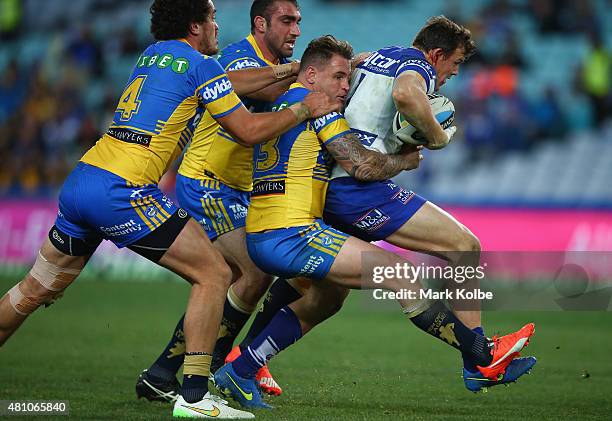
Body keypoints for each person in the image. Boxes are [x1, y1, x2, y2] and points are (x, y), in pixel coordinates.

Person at [0, 0, 340, 419]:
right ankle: (195, 396)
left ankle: (170, 376)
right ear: (196, 26)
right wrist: (306, 107)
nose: (218, 27)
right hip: (123, 192)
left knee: (33, 290)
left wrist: (288, 71)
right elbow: (249, 131)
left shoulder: (151, 54)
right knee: (214, 273)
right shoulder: (200, 64)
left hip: (83, 179)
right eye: (212, 19)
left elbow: (234, 87)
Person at [213, 35, 535, 410]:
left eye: (348, 79)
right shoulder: (322, 112)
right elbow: (363, 165)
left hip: (266, 231)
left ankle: (242, 366)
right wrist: (412, 155)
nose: (345, 89)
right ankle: (480, 353)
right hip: (295, 233)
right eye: (338, 79)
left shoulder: (279, 104)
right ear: (311, 74)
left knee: (325, 298)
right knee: (409, 271)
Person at [135, 0, 302, 401]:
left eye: (299, 21)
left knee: (229, 282)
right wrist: (293, 71)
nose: (295, 30)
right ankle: (219, 365)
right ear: (260, 23)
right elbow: (231, 82)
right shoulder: (237, 55)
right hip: (208, 183)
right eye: (286, 20)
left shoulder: (274, 65)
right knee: (255, 271)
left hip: (242, 189)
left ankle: (164, 372)